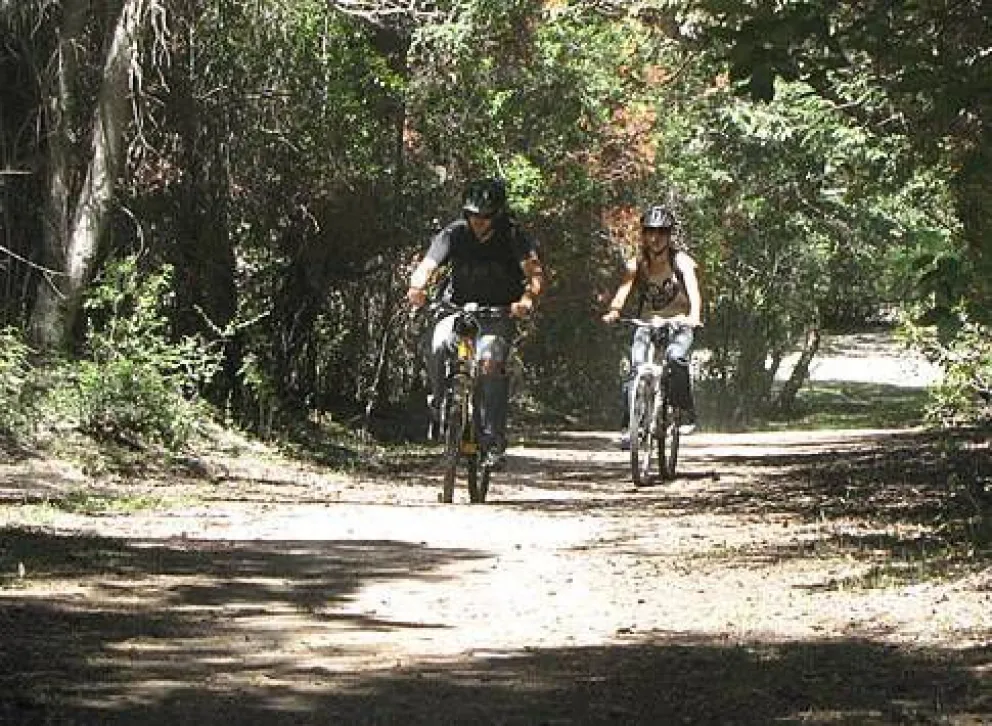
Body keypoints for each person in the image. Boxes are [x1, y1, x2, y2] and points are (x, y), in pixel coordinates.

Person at [407, 178, 544, 469]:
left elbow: (534, 274)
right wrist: (417, 287)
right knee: (436, 344)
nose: (479, 222)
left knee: (490, 364)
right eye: (473, 215)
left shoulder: (513, 236)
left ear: (497, 215)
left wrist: (527, 299)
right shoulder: (453, 234)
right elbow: (428, 265)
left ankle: (493, 440)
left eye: (485, 216)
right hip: (456, 308)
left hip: (498, 313)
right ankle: (441, 402)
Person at [602, 204, 702, 446]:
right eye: (650, 232)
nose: (655, 238)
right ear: (644, 234)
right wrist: (614, 310)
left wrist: (694, 315)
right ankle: (629, 426)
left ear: (669, 235)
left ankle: (684, 411)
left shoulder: (681, 261)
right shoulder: (637, 263)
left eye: (661, 233)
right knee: (636, 367)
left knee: (676, 357)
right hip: (647, 323)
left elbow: (694, 291)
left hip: (679, 324)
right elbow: (624, 289)